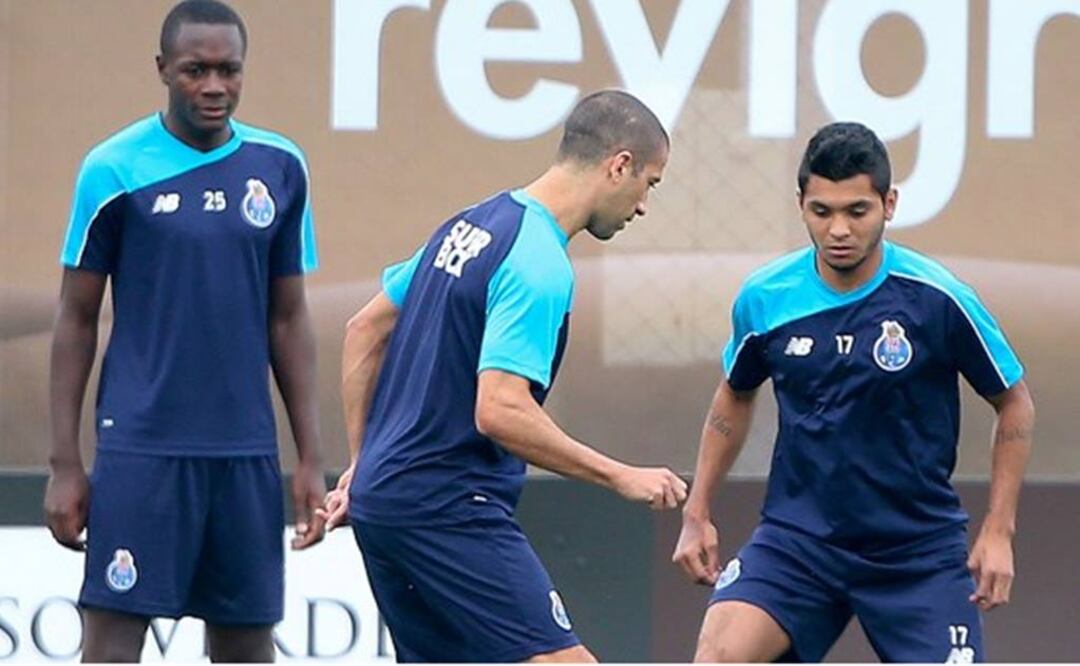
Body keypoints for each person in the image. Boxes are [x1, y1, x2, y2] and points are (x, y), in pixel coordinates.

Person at [318, 90, 688, 662]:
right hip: (449, 505)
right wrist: (619, 475)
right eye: (650, 184)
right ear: (619, 165)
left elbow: (364, 330)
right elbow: (499, 410)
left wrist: (364, 466)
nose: (643, 205)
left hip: (385, 505)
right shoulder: (539, 261)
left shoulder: (471, 224)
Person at [672, 121, 1035, 662]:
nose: (838, 229)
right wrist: (697, 510)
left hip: (916, 553)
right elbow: (734, 393)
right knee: (718, 655)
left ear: (889, 204)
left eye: (856, 211)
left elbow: (1014, 403)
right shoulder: (766, 298)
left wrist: (999, 530)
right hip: (798, 545)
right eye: (822, 211)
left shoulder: (938, 299)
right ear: (801, 205)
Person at [43, 1, 326, 660]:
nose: (214, 87)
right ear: (163, 69)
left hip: (244, 455)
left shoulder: (280, 167)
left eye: (228, 70)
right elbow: (76, 318)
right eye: (196, 70)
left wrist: (310, 457)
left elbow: (287, 318)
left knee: (245, 648)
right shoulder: (111, 170)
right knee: (111, 646)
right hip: (142, 450)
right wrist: (65, 464)